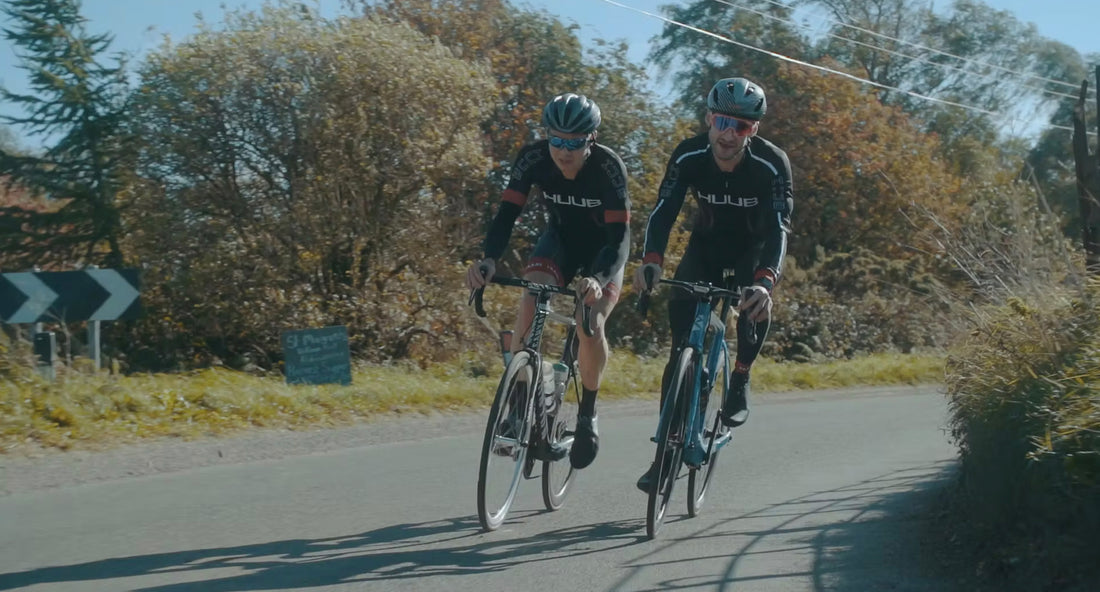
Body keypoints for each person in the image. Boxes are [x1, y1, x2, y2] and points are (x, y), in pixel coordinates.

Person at [633, 77, 793, 491]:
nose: (728, 133)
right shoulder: (688, 155)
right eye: (722, 121)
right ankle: (662, 457)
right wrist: (651, 260)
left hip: (750, 253)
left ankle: (739, 375)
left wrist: (765, 282)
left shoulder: (772, 164)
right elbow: (663, 212)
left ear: (753, 130)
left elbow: (778, 230)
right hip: (704, 249)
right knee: (679, 350)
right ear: (708, 118)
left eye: (740, 126)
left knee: (755, 307)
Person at [466, 93, 630, 470]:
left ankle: (587, 414)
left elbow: (619, 238)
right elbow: (507, 214)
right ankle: (521, 401)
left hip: (603, 253)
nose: (563, 150)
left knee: (590, 322)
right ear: (547, 137)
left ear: (591, 139)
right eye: (556, 140)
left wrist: (597, 278)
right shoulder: (533, 158)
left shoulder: (608, 168)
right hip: (560, 243)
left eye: (574, 142)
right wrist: (488, 259)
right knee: (531, 290)